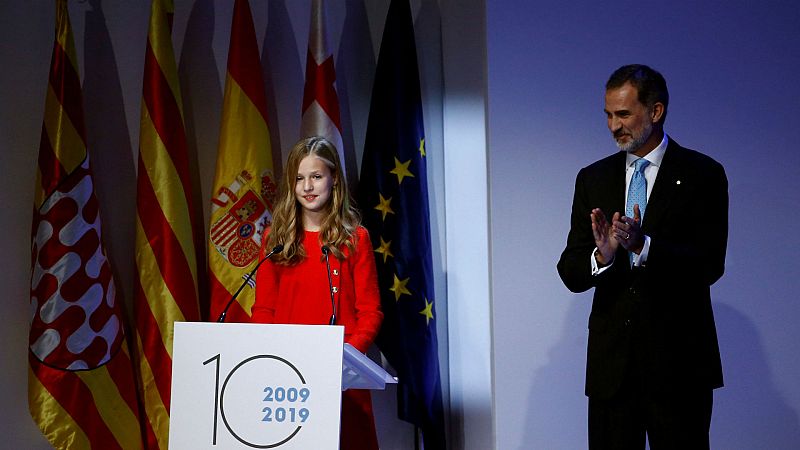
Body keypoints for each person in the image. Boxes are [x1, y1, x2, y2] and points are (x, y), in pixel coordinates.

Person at [557, 64, 728, 449]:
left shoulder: (703, 174)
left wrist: (644, 246)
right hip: (612, 370)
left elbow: (709, 263)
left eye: (623, 114)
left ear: (655, 112)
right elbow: (570, 269)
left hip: (679, 366)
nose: (613, 126)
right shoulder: (593, 178)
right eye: (608, 115)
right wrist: (601, 258)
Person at [252, 136, 383, 450]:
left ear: (334, 179)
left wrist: (345, 359)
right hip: (287, 375)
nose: (307, 187)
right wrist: (270, 357)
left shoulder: (355, 239)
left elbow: (370, 311)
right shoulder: (275, 240)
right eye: (299, 179)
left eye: (316, 176)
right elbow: (264, 309)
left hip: (341, 375)